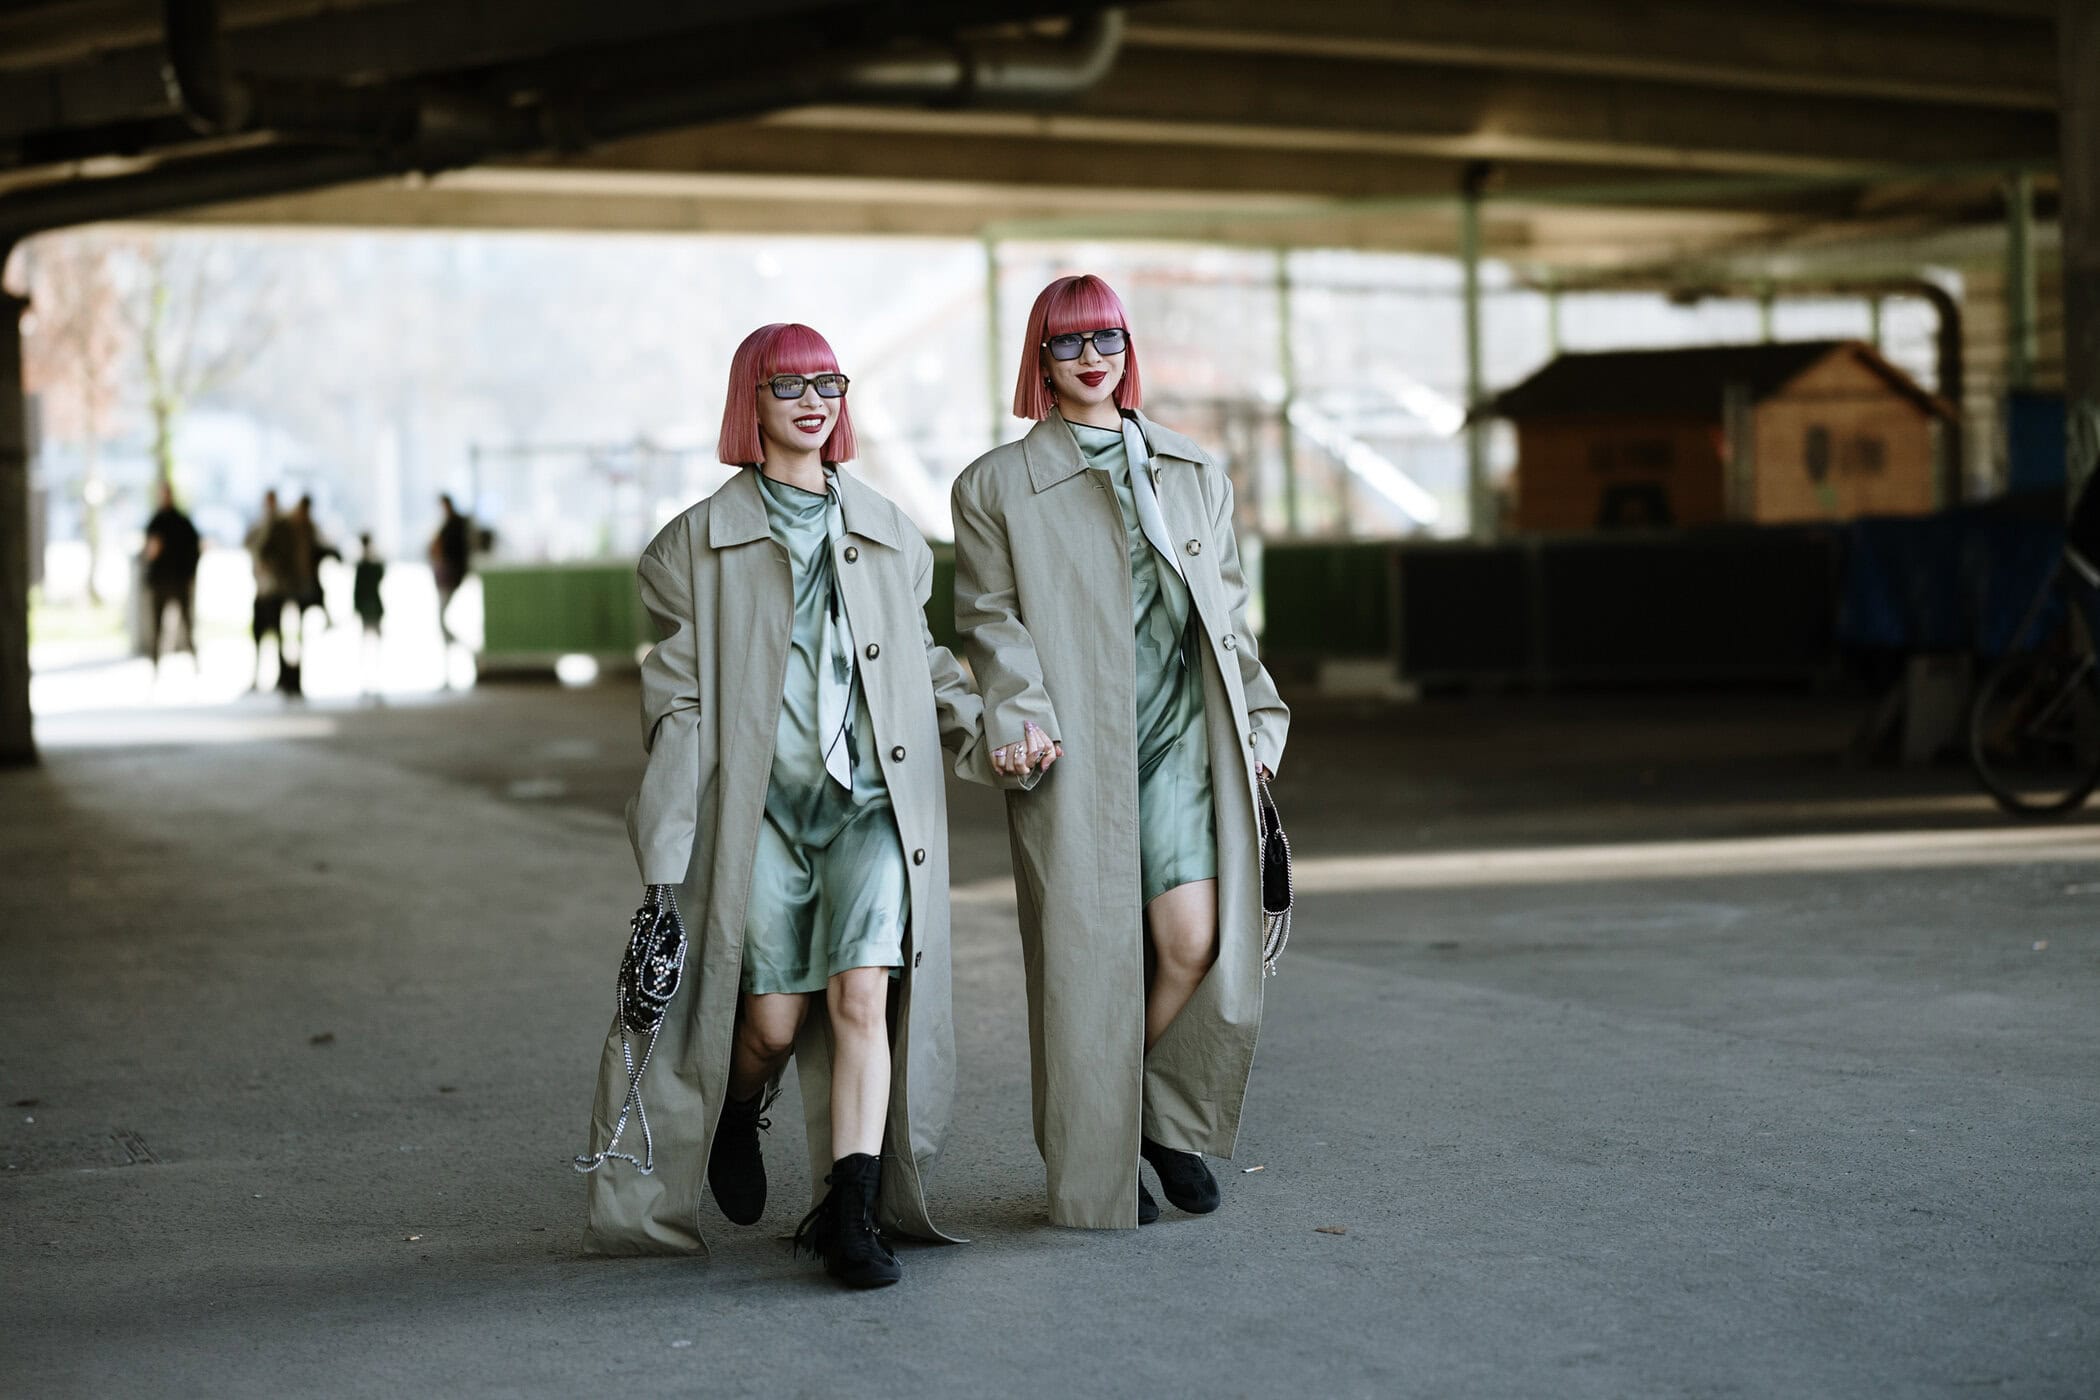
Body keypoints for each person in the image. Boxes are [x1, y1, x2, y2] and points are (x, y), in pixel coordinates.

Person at [579, 323, 994, 1289]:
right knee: (767, 1022)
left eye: (828, 383)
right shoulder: (693, 547)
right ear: (750, 404)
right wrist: (666, 854)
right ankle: (737, 1107)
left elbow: (926, 659)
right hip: (760, 816)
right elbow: (676, 703)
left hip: (868, 810)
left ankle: (848, 1214)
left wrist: (985, 722)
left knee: (863, 998)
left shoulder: (892, 533)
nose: (813, 401)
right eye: (787, 385)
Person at [950, 273, 1290, 1229]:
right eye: (1067, 342)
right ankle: (1112, 1144)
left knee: (1192, 943)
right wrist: (1018, 713)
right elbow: (989, 618)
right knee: (1089, 962)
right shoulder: (994, 487)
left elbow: (1228, 617)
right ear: (1040, 359)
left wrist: (1256, 730)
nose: (1091, 356)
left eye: (1107, 337)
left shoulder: (1192, 470)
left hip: (1182, 734)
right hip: (1076, 747)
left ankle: (1141, 1121)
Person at [142, 481, 201, 676]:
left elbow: (195, 549)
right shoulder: (155, 522)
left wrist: (190, 574)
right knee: (157, 627)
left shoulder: (182, 522)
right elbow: (147, 552)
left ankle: (195, 663)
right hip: (160, 582)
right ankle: (155, 666)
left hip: (179, 581)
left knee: (187, 624)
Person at [243, 490, 296, 692]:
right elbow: (249, 543)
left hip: (276, 588)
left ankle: (282, 676)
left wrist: (271, 564)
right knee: (258, 633)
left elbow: (285, 554)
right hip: (262, 588)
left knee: (278, 634)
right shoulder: (260, 525)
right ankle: (257, 675)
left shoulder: (282, 526)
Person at [429, 493, 470, 685]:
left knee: (442, 620)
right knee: (442, 621)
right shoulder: (448, 524)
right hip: (445, 577)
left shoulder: (455, 525)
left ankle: (465, 649)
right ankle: (456, 658)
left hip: (449, 577)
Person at [352, 532, 385, 700]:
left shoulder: (369, 564)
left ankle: (375, 679)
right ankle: (368, 680)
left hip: (372, 608)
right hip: (369, 608)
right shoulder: (363, 565)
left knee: (373, 644)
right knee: (368, 644)